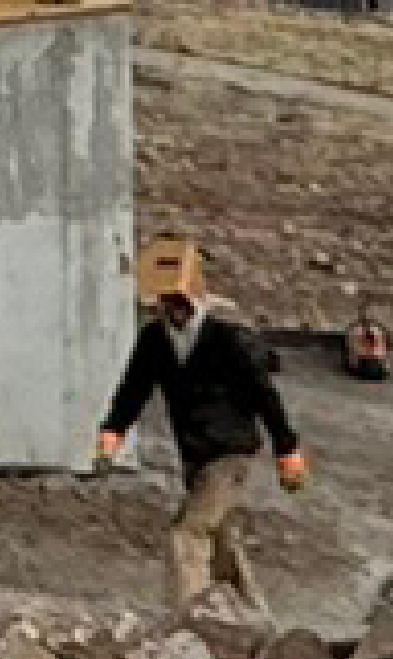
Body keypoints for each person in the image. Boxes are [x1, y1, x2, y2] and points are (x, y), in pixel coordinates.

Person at [94, 229, 313, 611]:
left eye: (178, 302)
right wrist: (111, 435)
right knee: (222, 539)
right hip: (195, 453)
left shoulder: (228, 339)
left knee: (188, 534)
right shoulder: (154, 342)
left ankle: (190, 618)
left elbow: (265, 395)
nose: (172, 310)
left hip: (231, 453)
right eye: (166, 303)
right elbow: (133, 391)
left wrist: (288, 450)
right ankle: (253, 617)